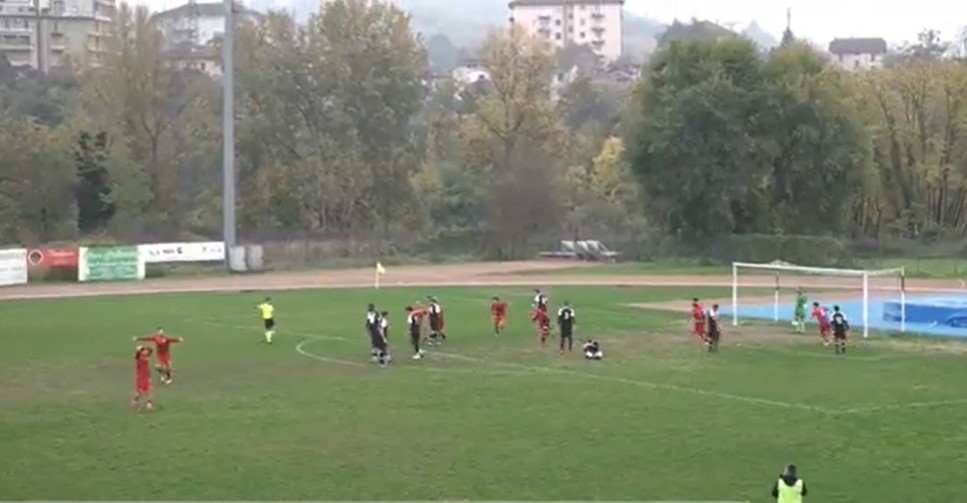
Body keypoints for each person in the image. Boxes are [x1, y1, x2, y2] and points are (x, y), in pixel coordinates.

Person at [132, 345, 154, 412]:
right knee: (139, 392)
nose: (145, 351)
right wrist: (138, 350)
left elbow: (150, 351)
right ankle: (135, 404)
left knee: (150, 390)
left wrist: (149, 377)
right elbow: (137, 354)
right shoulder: (138, 358)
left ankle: (148, 404)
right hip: (141, 377)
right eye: (143, 350)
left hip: (146, 376)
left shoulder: (145, 356)